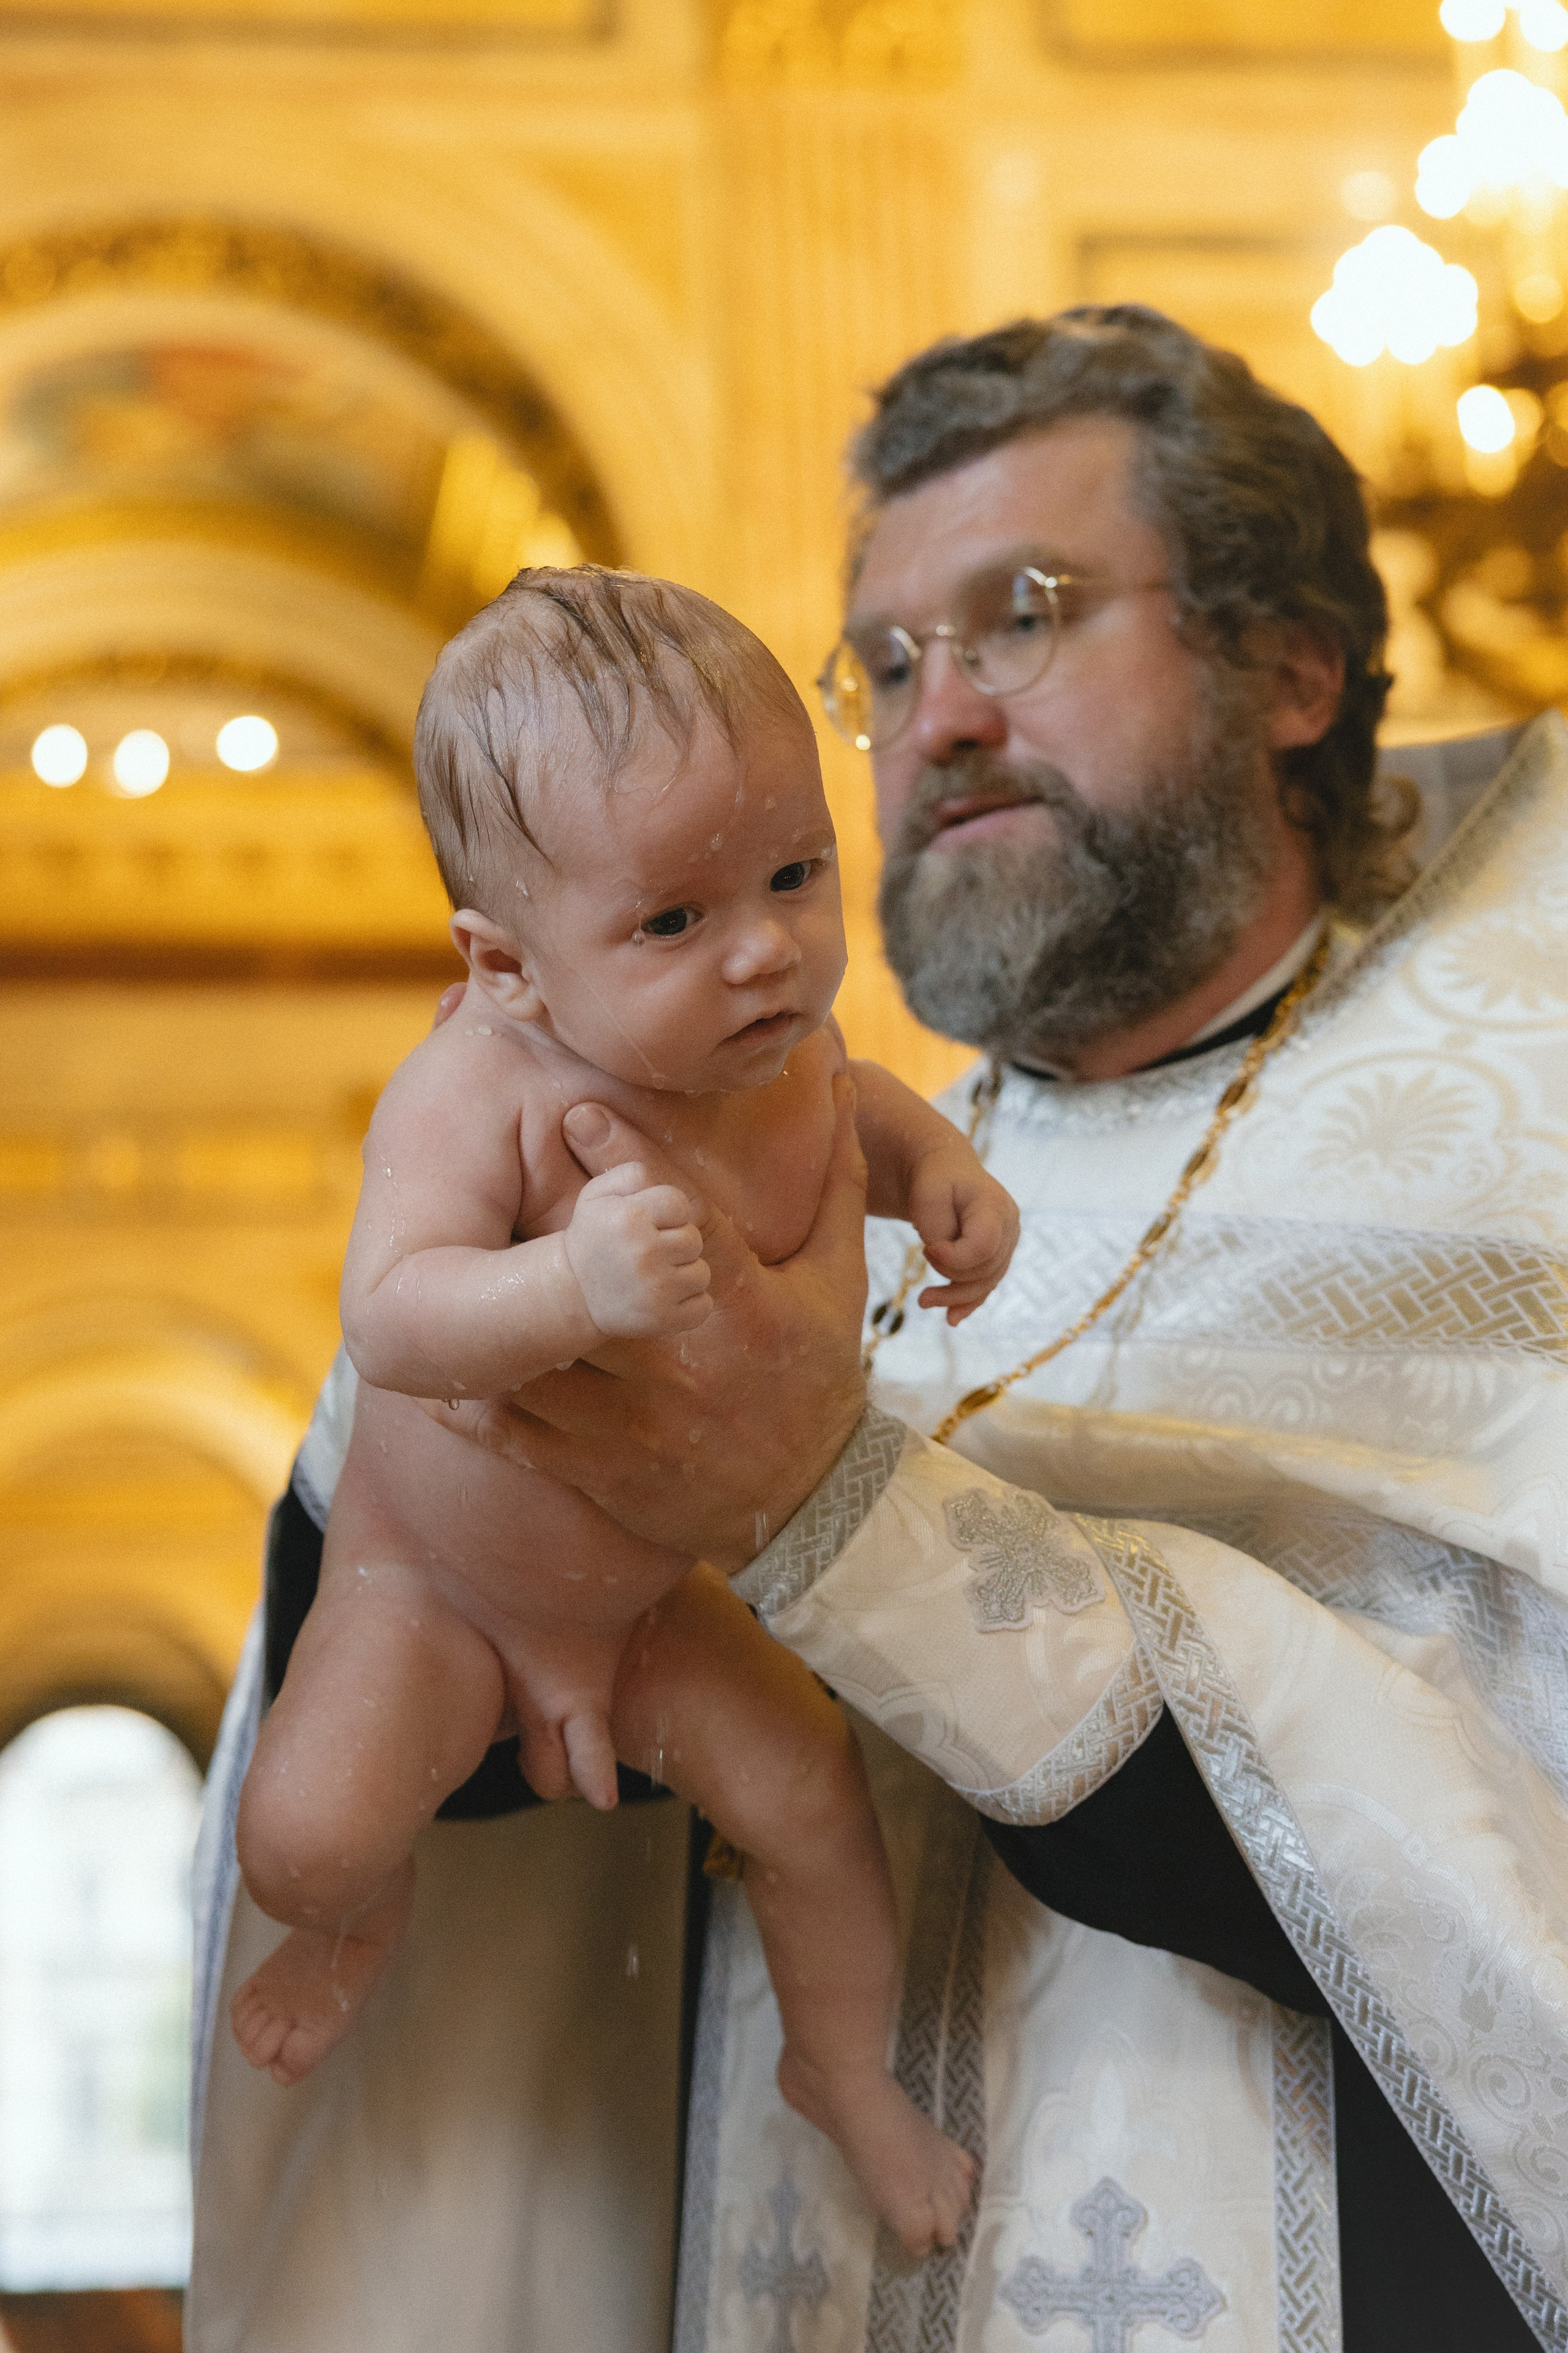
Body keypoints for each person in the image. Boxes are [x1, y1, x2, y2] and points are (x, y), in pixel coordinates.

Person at [189, 306, 1568, 2353]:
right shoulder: (717, 1122)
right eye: (890, 663)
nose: (940, 714)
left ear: (1294, 668)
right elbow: (510, 1840)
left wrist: (822, 1501)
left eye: (1025, 614)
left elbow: (1485, 1865)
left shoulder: (1515, 1137)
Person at [227, 568, 1008, 2256]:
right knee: (304, 1832)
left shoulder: (779, 1042)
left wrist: (939, 1171)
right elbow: (393, 1315)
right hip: (436, 1595)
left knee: (808, 1792)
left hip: (656, 1602)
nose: (765, 947)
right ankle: (353, 1920)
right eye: (671, 920)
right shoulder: (476, 1087)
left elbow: (855, 1110)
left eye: (797, 873)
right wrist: (568, 1286)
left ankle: (844, 2072)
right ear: (505, 965)